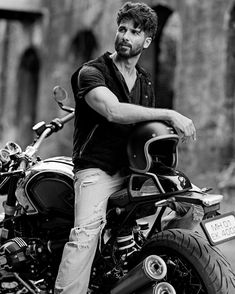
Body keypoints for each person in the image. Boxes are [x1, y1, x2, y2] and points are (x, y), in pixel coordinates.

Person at [54, 2, 196, 294]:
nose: (125, 36)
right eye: (122, 29)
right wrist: (169, 114)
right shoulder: (92, 72)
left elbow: (143, 130)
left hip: (133, 169)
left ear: (147, 40)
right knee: (84, 235)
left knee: (188, 204)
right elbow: (113, 111)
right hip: (97, 168)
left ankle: (154, 266)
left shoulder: (144, 82)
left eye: (134, 31)